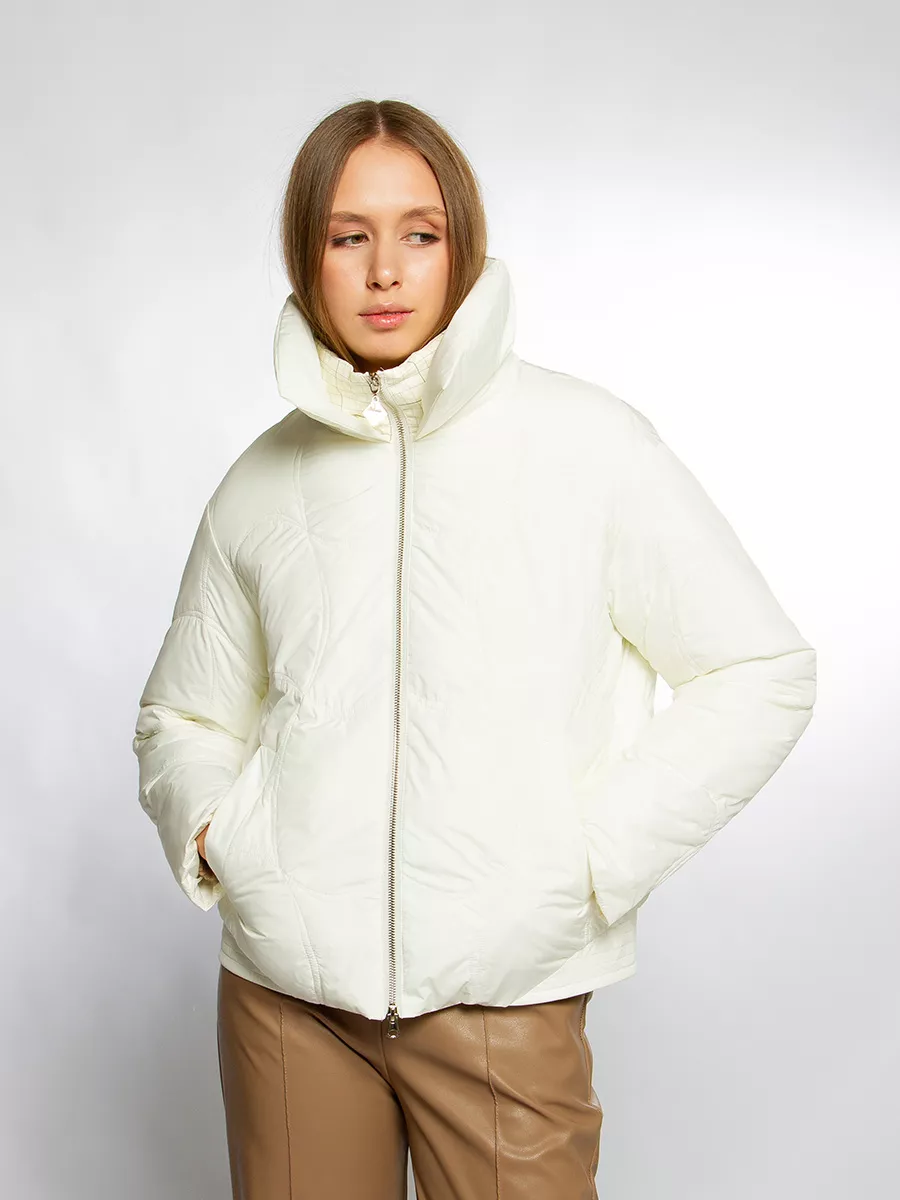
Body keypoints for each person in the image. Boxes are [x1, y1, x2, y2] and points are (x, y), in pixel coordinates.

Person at [132, 98, 817, 1199]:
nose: (385, 271)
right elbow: (185, 714)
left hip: (507, 998)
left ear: (463, 246)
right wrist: (226, 837)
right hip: (288, 1001)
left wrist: (588, 863)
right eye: (348, 236)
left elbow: (759, 671)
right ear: (307, 254)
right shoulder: (260, 482)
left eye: (421, 232)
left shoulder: (591, 445)